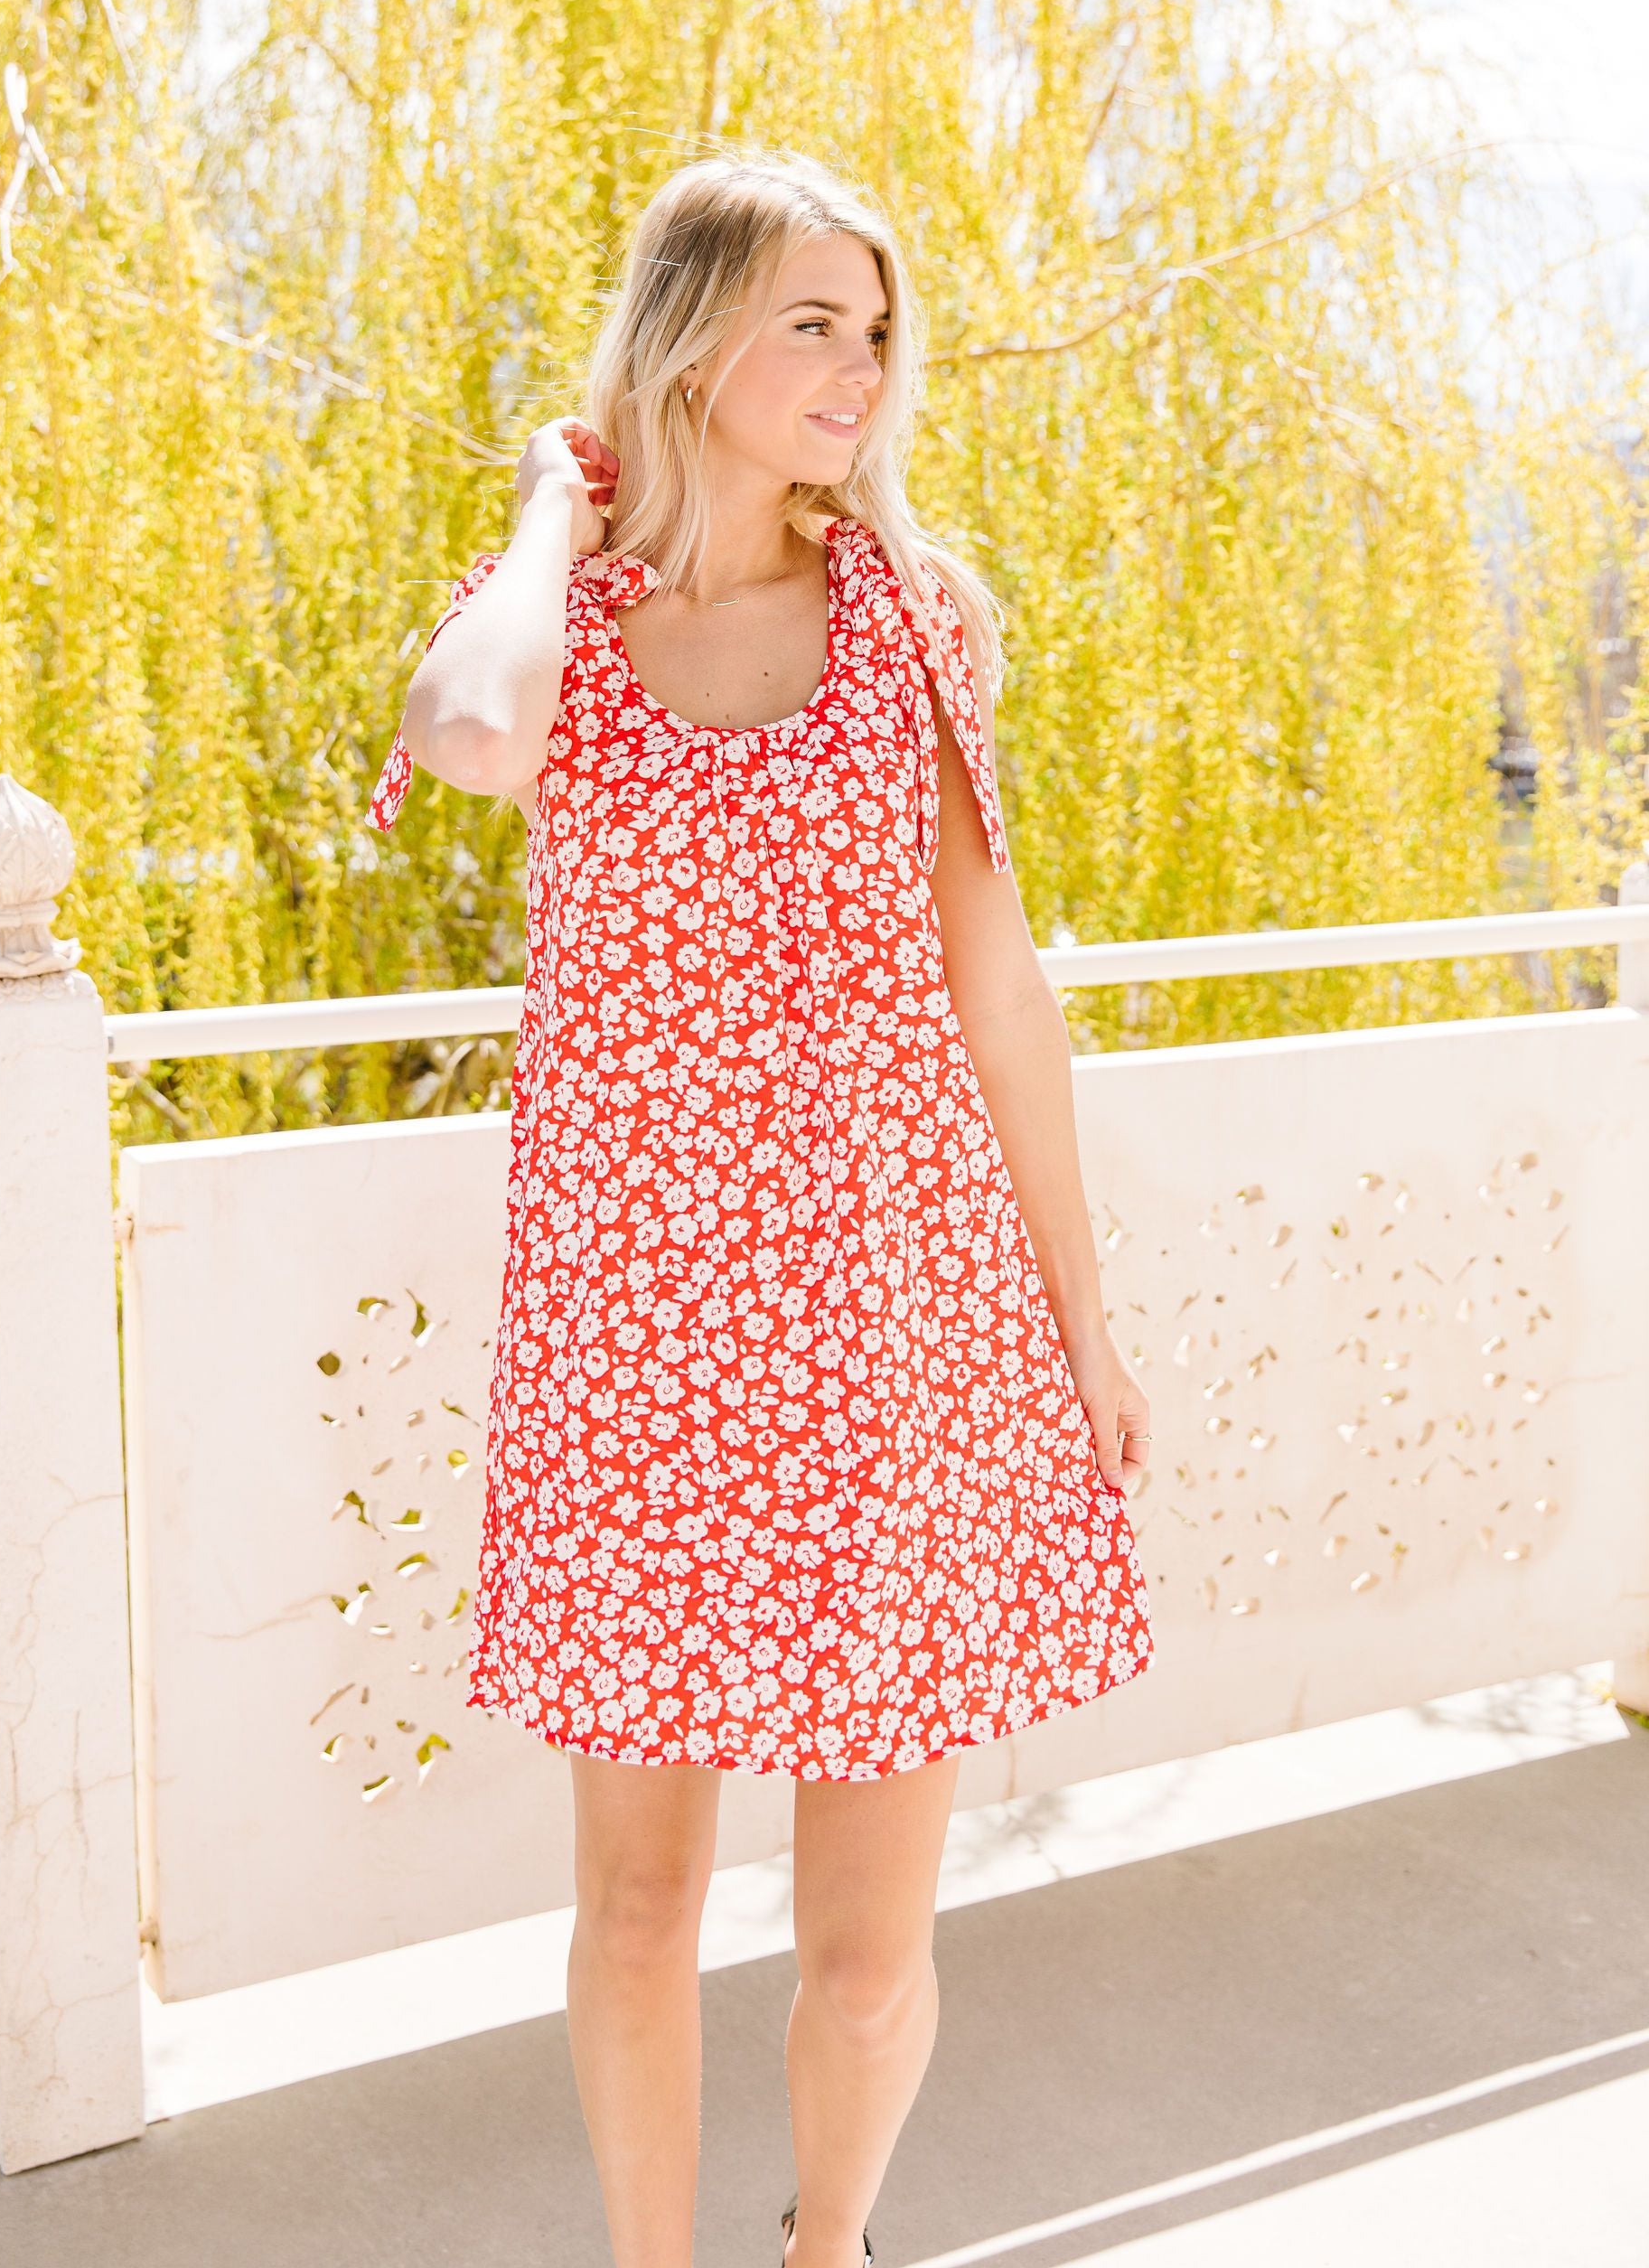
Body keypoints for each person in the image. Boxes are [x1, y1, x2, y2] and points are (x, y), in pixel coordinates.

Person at [367, 149, 1155, 2268]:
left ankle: (831, 2252)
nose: (856, 369)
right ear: (690, 337)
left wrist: (1077, 1324)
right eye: (811, 320)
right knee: (632, 1910)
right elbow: (462, 735)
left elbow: (1001, 993)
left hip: (891, 1337)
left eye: (874, 331)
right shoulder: (557, 623)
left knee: (866, 1946)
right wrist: (555, 498)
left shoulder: (913, 616)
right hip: (631, 1348)